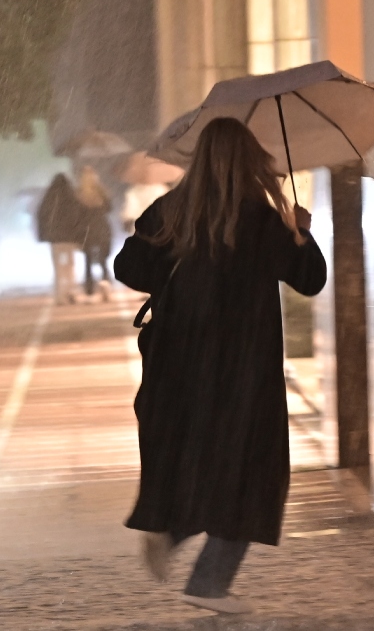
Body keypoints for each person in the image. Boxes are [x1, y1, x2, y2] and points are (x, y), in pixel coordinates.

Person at [114, 118, 326, 614]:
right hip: (244, 371)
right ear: (250, 162)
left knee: (199, 459)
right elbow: (311, 281)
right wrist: (301, 235)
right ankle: (208, 582)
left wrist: (166, 262)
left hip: (180, 366)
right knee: (249, 470)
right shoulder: (262, 221)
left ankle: (172, 531)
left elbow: (128, 269)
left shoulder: (170, 211)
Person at [35, 173, 86, 304]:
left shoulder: (49, 198)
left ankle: (59, 295)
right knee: (70, 265)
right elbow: (79, 218)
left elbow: (41, 216)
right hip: (70, 237)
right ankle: (71, 291)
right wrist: (80, 236)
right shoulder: (72, 198)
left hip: (55, 239)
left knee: (58, 267)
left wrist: (42, 235)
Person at [76, 165, 114, 300]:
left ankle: (89, 289)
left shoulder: (79, 194)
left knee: (87, 260)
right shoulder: (102, 192)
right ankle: (106, 286)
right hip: (101, 227)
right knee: (103, 260)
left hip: (87, 230)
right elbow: (109, 208)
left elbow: (77, 215)